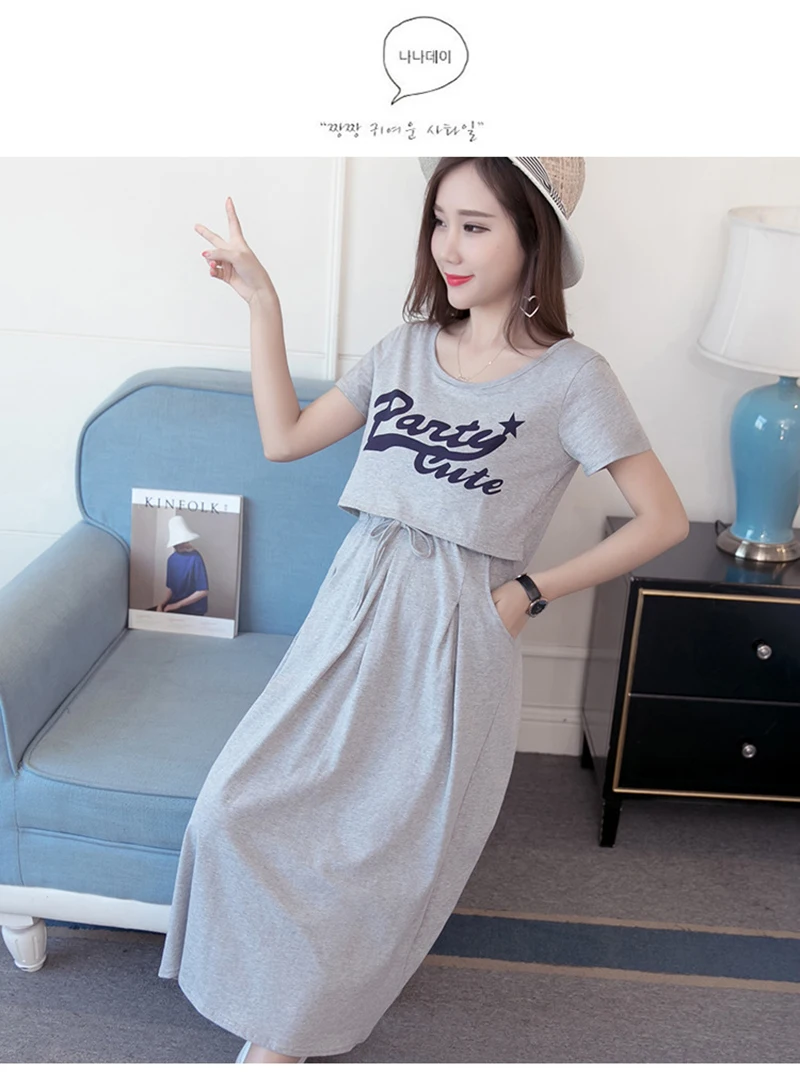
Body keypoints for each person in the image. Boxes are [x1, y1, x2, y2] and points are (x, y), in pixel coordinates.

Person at [156, 158, 689, 1063]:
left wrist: (529, 594)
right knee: (232, 809)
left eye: (476, 226)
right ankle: (273, 1014)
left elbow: (664, 521)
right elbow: (284, 437)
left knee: (373, 856)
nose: (449, 246)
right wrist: (262, 302)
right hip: (350, 612)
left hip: (453, 631)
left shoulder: (573, 379)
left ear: (533, 238)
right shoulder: (405, 348)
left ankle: (284, 1044)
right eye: (441, 220)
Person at [156, 514, 210, 616]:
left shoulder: (195, 557)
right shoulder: (171, 560)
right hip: (176, 609)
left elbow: (203, 591)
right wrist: (162, 604)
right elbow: (171, 588)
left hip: (194, 611)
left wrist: (177, 605)